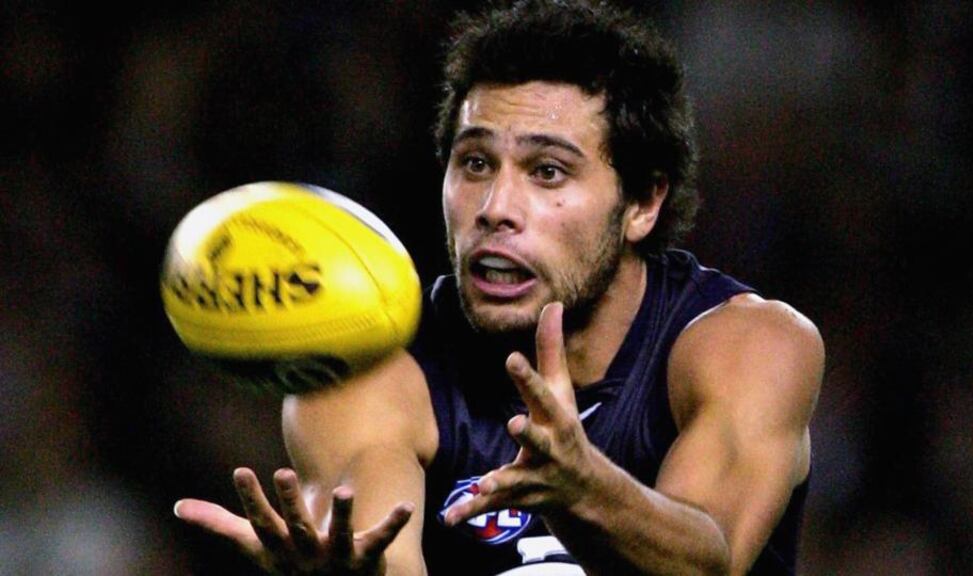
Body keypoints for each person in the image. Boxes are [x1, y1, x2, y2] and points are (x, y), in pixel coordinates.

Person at [174, 1, 824, 574]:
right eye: (476, 163)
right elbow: (382, 555)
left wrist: (587, 492)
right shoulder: (373, 372)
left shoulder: (749, 344)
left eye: (547, 171)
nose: (495, 206)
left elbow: (709, 560)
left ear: (642, 203)